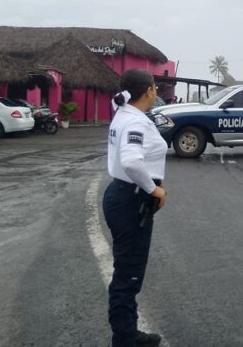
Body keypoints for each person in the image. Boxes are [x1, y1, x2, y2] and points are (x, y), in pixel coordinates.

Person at [104, 69, 169, 347]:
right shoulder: (135, 121)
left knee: (127, 270)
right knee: (128, 275)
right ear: (149, 91)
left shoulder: (122, 110)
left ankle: (127, 332)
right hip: (131, 201)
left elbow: (117, 99)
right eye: (155, 88)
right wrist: (154, 189)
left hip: (122, 196)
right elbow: (131, 162)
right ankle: (124, 339)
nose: (157, 92)